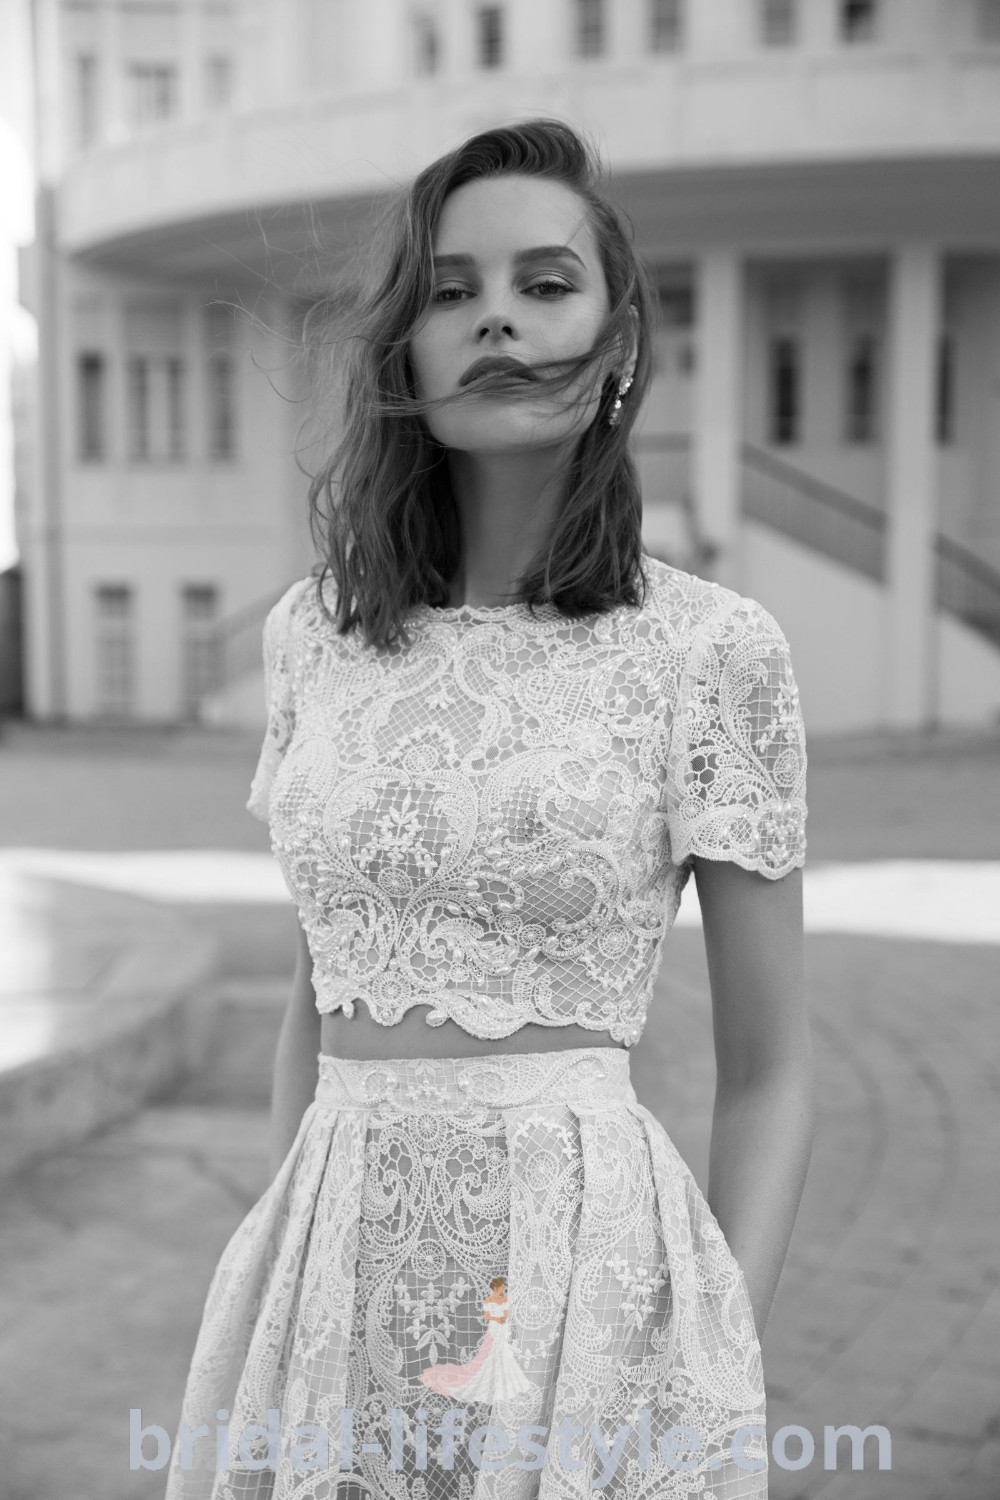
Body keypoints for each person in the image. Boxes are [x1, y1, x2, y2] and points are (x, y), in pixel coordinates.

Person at [164, 118, 813, 1500]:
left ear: (620, 333)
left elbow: (771, 1070)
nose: (499, 320)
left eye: (545, 282)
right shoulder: (312, 642)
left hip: (584, 1282)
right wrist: (279, 1264)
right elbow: (317, 986)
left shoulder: (711, 652)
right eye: (451, 291)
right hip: (330, 1266)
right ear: (404, 346)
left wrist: (712, 1351)